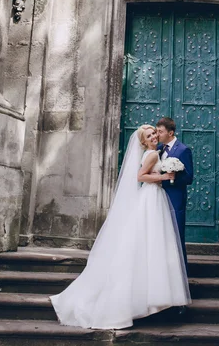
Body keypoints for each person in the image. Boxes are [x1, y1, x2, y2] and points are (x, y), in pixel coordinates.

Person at [50, 125, 191, 329]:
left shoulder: (153, 152)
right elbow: (141, 176)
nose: (153, 137)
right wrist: (164, 177)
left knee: (149, 242)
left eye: (154, 134)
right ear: (143, 141)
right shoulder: (152, 155)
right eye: (149, 135)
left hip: (152, 197)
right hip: (152, 197)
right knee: (152, 242)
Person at [156, 117, 194, 269]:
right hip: (158, 198)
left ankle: (181, 272)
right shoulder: (158, 149)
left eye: (160, 131)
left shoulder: (183, 150)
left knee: (176, 236)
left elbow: (189, 177)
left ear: (170, 133)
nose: (157, 134)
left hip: (175, 199)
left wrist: (173, 176)